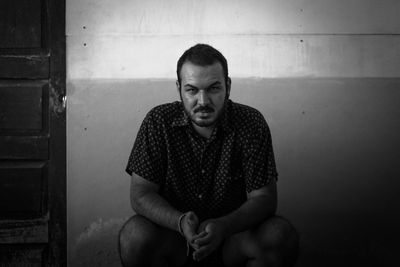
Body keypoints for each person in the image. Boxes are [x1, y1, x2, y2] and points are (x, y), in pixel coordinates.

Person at [119, 44, 299, 267]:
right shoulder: (158, 122)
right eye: (192, 90)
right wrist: (179, 221)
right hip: (175, 241)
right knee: (134, 235)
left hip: (233, 240)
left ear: (228, 87)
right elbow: (140, 193)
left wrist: (224, 226)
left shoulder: (250, 123)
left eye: (213, 88)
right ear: (179, 89)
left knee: (278, 235)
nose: (203, 101)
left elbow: (265, 199)